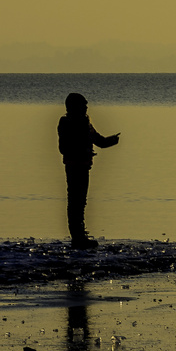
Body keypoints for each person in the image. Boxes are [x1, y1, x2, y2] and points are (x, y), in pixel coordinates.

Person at [57, 92, 119, 249]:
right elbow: (63, 148)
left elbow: (99, 141)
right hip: (73, 166)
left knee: (80, 201)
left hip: (84, 166)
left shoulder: (86, 123)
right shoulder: (66, 123)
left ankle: (80, 235)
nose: (86, 107)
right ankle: (77, 238)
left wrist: (112, 141)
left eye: (86, 104)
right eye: (83, 104)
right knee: (75, 201)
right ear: (73, 106)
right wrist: (81, 149)